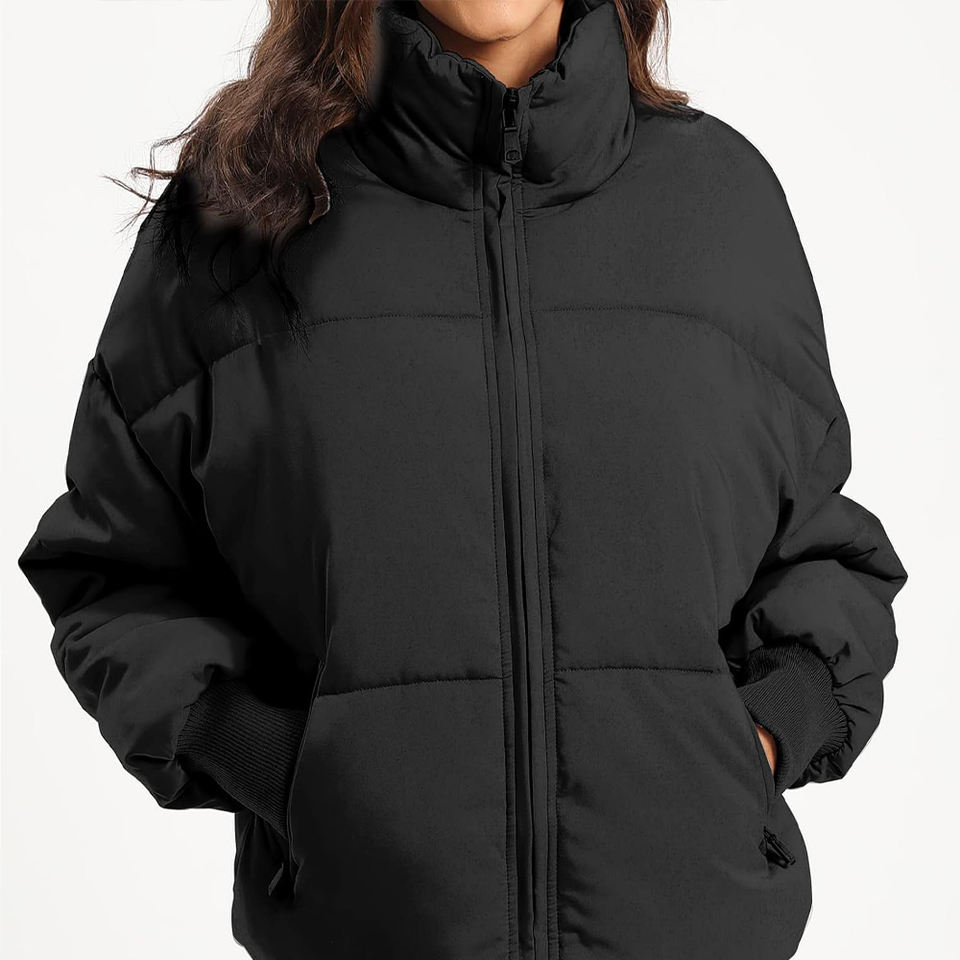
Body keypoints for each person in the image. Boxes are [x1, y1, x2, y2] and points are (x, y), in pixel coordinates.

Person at [19, 1, 907, 958]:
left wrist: (760, 737)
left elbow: (820, 551)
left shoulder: (718, 202)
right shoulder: (244, 207)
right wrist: (281, 767)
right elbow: (113, 570)